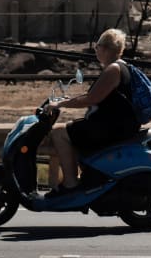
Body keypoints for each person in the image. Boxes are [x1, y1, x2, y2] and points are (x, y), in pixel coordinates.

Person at [45, 28, 141, 195]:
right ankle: (85, 178)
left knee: (59, 133)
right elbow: (95, 95)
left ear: (106, 48)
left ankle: (70, 184)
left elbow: (91, 99)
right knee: (72, 130)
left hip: (110, 128)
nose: (95, 50)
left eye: (97, 46)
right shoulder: (123, 66)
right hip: (115, 126)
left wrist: (61, 105)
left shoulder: (113, 70)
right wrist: (65, 101)